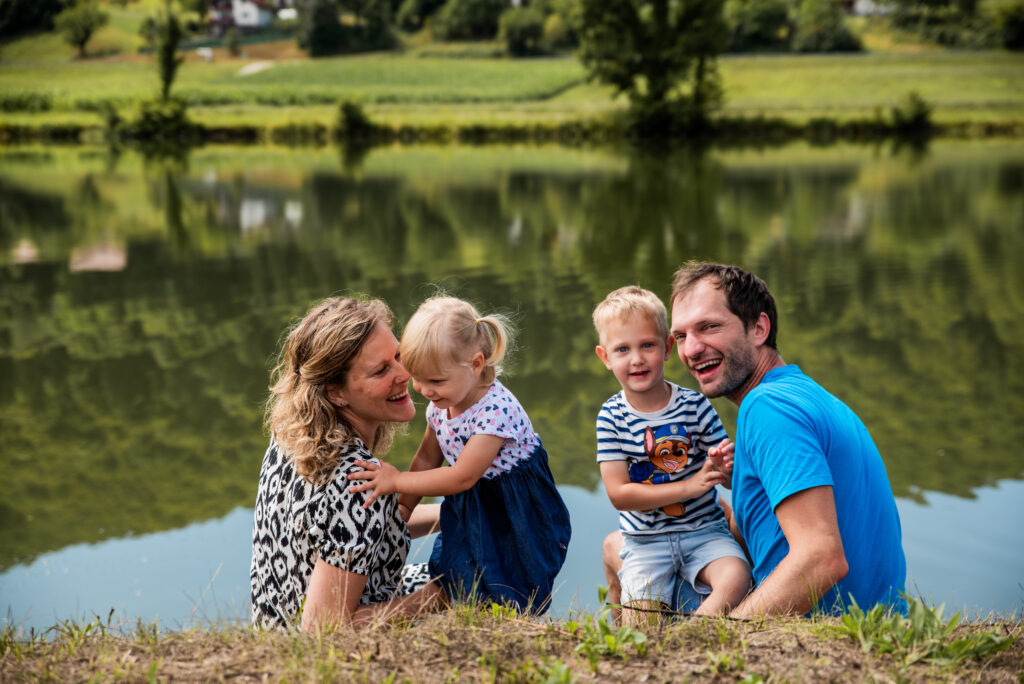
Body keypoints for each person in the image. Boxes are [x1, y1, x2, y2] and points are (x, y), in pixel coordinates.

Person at [668, 262, 906, 618]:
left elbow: (821, 558)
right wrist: (725, 515)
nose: (692, 349)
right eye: (682, 336)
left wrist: (721, 642)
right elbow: (790, 530)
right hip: (879, 621)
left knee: (619, 550)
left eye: (709, 327)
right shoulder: (807, 395)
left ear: (759, 328)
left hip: (825, 630)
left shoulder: (767, 408)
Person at [349, 295, 572, 614]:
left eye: (435, 381)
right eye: (417, 378)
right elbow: (427, 459)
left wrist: (397, 480)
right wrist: (403, 508)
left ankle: (510, 621)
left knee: (511, 576)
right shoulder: (443, 404)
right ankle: (466, 610)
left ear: (476, 364)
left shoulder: (495, 412)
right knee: (460, 569)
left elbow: (462, 476)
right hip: (474, 501)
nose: (424, 391)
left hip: (514, 508)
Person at [250, 296, 446, 632]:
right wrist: (438, 598)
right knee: (478, 584)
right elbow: (322, 629)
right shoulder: (356, 483)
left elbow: (359, 530)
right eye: (381, 370)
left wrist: (456, 515)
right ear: (336, 394)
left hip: (273, 627)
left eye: (398, 356)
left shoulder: (291, 436)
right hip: (302, 653)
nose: (404, 374)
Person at [593, 286, 751, 624]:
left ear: (666, 348)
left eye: (647, 345)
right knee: (641, 624)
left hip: (704, 531)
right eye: (622, 349)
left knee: (736, 576)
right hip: (645, 542)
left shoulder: (695, 405)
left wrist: (723, 469)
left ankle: (696, 630)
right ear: (605, 357)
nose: (636, 358)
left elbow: (726, 472)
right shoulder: (611, 417)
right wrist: (690, 487)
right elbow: (620, 495)